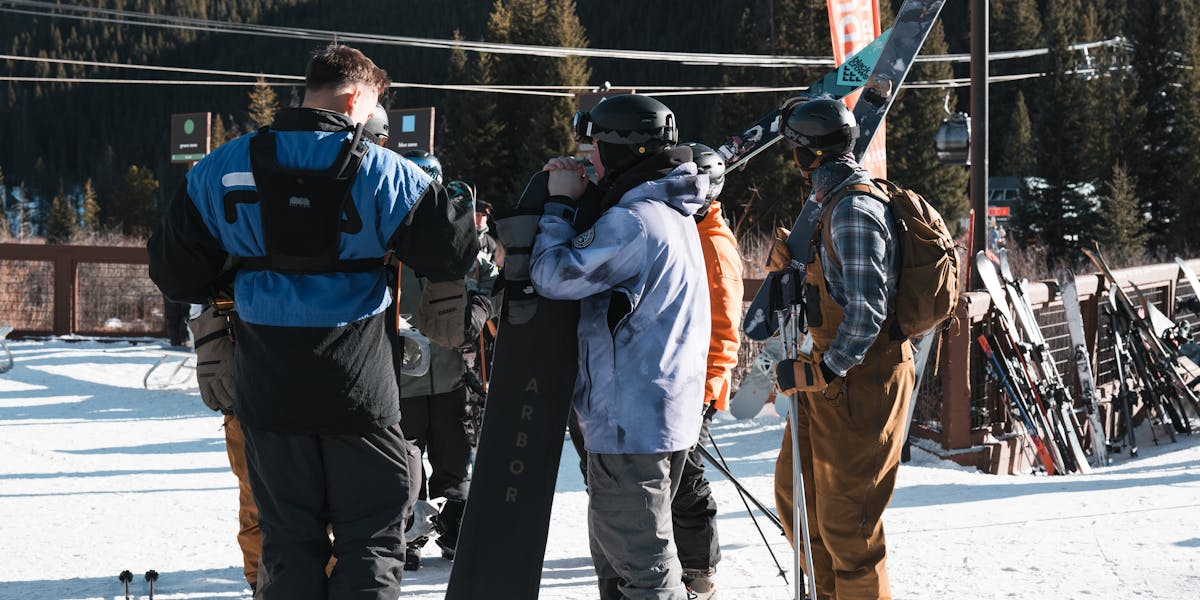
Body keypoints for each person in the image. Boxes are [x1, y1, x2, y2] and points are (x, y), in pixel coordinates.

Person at [148, 44, 477, 600]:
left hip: (268, 389)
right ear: (354, 99)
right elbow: (452, 251)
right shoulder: (386, 171)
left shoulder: (220, 168)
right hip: (360, 388)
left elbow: (174, 272)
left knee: (288, 542)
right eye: (374, 108)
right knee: (370, 540)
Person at [530, 93, 710, 600]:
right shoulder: (671, 212)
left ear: (618, 151)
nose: (587, 159)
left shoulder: (634, 222)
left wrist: (561, 203)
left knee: (644, 574)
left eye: (593, 149)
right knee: (619, 566)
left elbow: (554, 275)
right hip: (657, 414)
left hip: (630, 423)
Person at [768, 98, 914, 600]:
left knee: (848, 528)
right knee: (797, 500)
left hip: (860, 383)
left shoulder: (853, 209)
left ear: (806, 154)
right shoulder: (828, 202)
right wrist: (796, 266)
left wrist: (824, 369)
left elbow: (867, 311)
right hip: (828, 382)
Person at [394, 164, 495, 570]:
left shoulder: (457, 239)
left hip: (450, 370)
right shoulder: (395, 239)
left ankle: (452, 526)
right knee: (408, 453)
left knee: (451, 453)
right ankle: (410, 531)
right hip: (406, 373)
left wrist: (479, 307)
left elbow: (489, 276)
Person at [671, 142, 742, 599]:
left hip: (697, 383)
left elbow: (725, 329)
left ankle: (699, 567)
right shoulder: (688, 229)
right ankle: (679, 557)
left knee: (686, 477)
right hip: (678, 377)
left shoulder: (713, 243)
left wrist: (706, 394)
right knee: (673, 474)